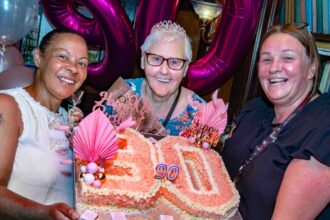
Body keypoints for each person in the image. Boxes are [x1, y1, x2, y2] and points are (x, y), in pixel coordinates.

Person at [221, 23, 330, 219]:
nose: (274, 68)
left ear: (312, 68)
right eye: (266, 59)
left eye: (287, 58)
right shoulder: (255, 108)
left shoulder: (324, 128)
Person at [0, 28, 89, 219]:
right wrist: (43, 213)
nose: (73, 68)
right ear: (39, 58)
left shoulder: (70, 122)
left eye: (82, 63)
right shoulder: (9, 106)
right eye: (63, 57)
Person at [106, 20, 205, 136]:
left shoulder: (200, 114)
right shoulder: (120, 95)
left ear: (185, 69)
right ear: (143, 61)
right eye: (156, 59)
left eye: (174, 62)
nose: (164, 71)